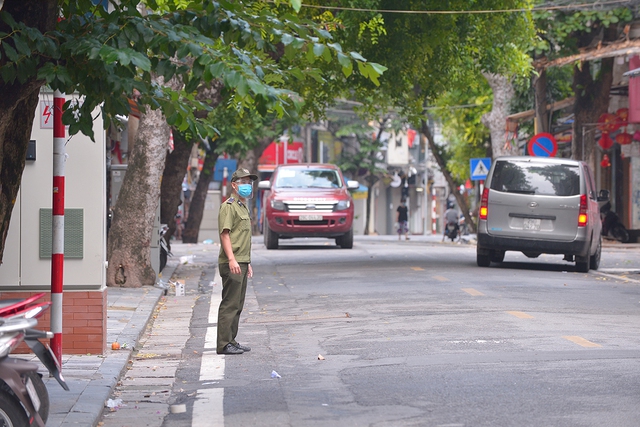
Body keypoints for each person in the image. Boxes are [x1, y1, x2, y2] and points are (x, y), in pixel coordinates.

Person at [216, 168, 258, 355]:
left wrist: (246, 262)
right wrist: (232, 259)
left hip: (241, 261)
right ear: (234, 185)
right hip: (231, 262)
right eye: (243, 182)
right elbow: (225, 235)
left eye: (249, 182)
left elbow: (241, 237)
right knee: (230, 303)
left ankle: (231, 340)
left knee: (238, 304)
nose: (247, 185)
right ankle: (224, 343)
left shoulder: (242, 206)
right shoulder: (229, 206)